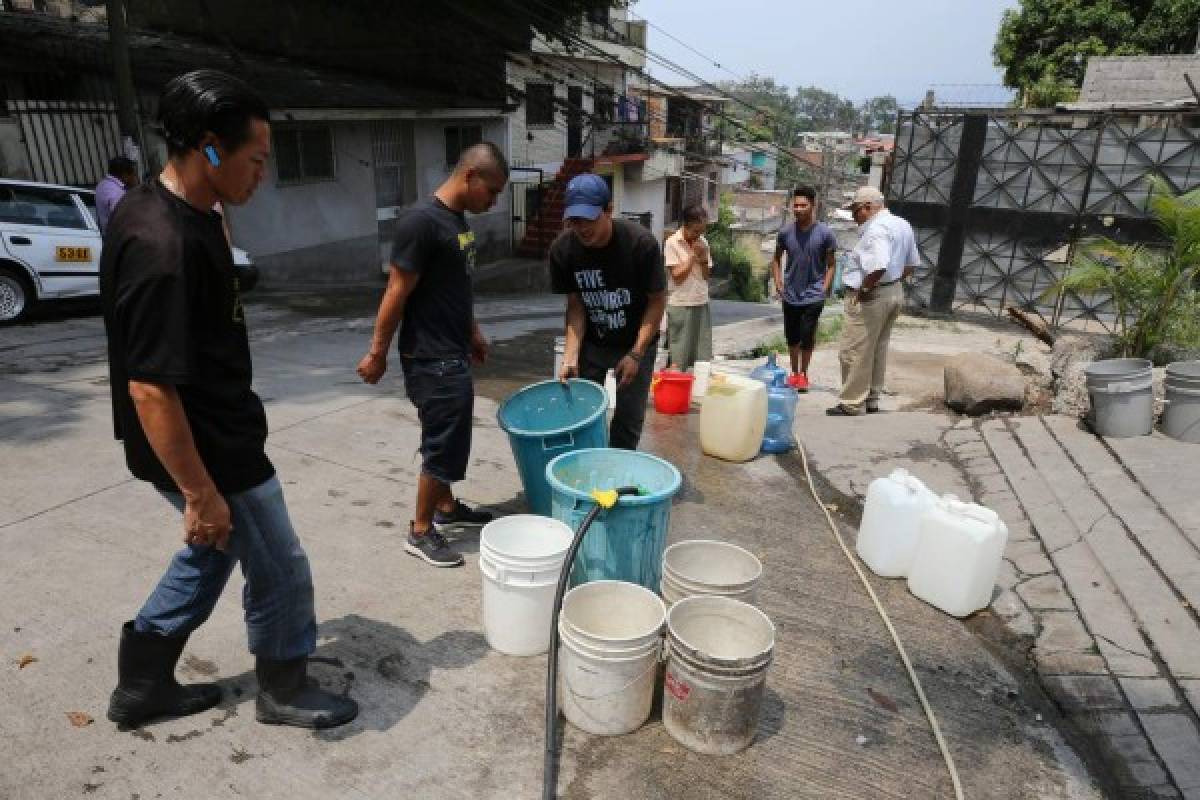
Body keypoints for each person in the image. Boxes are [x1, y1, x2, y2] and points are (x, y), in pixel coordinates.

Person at [100, 69, 357, 731]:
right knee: (281, 567)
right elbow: (150, 387)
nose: (262, 174)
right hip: (209, 447)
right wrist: (200, 491)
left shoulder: (174, 208)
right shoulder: (163, 245)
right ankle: (284, 686)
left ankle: (143, 684)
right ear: (211, 148)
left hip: (213, 429)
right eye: (257, 159)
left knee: (210, 554)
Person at [356, 143, 508, 568]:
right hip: (430, 356)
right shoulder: (421, 223)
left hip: (453, 347)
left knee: (449, 435)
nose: (493, 201)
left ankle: (445, 508)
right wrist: (376, 353)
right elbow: (396, 292)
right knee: (443, 443)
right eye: (492, 191)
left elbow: (457, 287)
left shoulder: (456, 221)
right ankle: (421, 530)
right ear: (471, 176)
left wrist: (473, 332)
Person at [551, 173, 667, 449]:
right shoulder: (563, 250)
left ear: (609, 210)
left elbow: (657, 301)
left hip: (635, 341)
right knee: (583, 416)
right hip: (593, 342)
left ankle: (616, 479)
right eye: (575, 220)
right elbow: (576, 305)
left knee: (627, 420)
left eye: (589, 219)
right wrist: (569, 356)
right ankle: (587, 472)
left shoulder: (640, 244)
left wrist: (636, 353)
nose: (582, 228)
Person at [827, 186, 918, 416]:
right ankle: (871, 399)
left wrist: (865, 289)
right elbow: (911, 264)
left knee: (854, 350)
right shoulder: (901, 224)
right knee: (877, 349)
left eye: (856, 211)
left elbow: (878, 265)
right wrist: (892, 283)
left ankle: (851, 402)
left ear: (867, 208)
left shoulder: (875, 229)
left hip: (872, 294)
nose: (855, 217)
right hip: (893, 291)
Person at [770, 186, 837, 391]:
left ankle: (804, 374)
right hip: (790, 294)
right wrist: (778, 281)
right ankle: (794, 373)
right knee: (792, 337)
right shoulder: (785, 232)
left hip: (814, 294)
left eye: (803, 205)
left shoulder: (825, 234)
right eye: (795, 205)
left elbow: (832, 264)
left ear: (813, 206)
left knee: (807, 335)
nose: (798, 209)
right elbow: (776, 258)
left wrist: (824, 288)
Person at [663, 204, 712, 370]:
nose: (699, 235)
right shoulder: (672, 243)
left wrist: (704, 258)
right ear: (686, 225)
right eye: (696, 231)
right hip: (680, 303)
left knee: (700, 352)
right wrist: (692, 256)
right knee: (678, 351)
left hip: (700, 300)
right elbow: (677, 276)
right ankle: (675, 383)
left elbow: (706, 276)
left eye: (702, 231)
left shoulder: (703, 243)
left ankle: (694, 383)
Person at [95, 156, 139, 232]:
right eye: (133, 175)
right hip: (121, 237)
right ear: (125, 175)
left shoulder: (102, 184)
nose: (135, 177)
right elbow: (124, 219)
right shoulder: (116, 192)